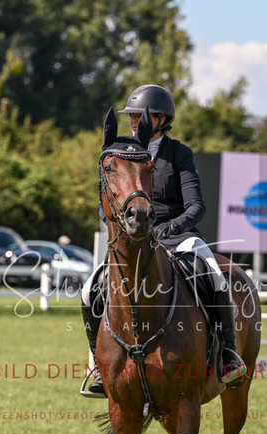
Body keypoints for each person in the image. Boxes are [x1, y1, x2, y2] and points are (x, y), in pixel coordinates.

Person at [80, 84, 247, 398]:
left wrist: (170, 227)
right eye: (132, 116)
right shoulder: (121, 153)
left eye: (144, 116)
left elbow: (196, 206)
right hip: (133, 239)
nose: (135, 121)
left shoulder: (178, 153)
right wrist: (118, 225)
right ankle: (99, 366)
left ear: (162, 119)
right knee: (91, 289)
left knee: (213, 275)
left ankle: (228, 352)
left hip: (177, 236)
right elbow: (106, 202)